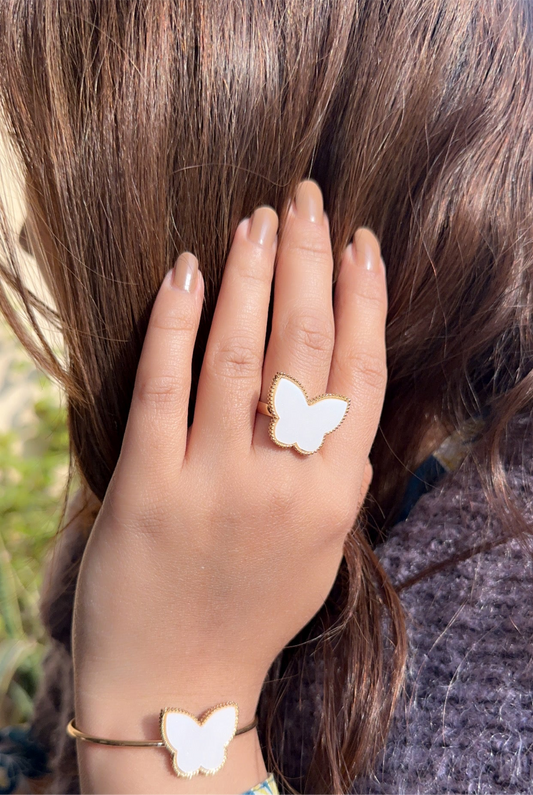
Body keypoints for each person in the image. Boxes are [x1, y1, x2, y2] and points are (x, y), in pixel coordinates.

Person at [0, 1, 531, 794]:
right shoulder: (192, 462)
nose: (29, 243)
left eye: (78, 194)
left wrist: (168, 696)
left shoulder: (496, 667)